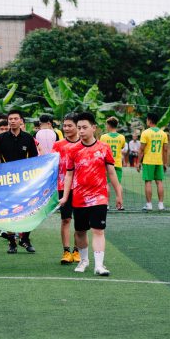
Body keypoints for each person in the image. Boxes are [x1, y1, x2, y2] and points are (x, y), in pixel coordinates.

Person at [60, 112, 123, 276]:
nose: (81, 131)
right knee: (80, 231)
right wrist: (65, 196)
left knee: (98, 230)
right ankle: (83, 260)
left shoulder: (104, 148)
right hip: (79, 198)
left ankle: (99, 265)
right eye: (79, 128)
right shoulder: (72, 150)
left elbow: (112, 173)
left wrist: (119, 194)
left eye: (84, 127)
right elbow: (68, 174)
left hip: (99, 197)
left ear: (94, 128)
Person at [0, 109, 39, 253]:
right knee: (8, 212)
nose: (12, 121)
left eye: (15, 118)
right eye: (10, 118)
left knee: (29, 210)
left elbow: (35, 159)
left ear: (21, 121)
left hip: (25, 181)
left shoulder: (28, 138)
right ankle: (12, 242)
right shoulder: (1, 138)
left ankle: (25, 238)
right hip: (6, 181)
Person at [52, 113, 80, 264]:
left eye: (70, 125)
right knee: (66, 219)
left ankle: (77, 251)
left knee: (80, 221)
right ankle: (66, 251)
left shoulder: (84, 143)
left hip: (81, 187)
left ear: (77, 126)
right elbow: (51, 166)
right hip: (63, 187)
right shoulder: (58, 145)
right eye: (65, 125)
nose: (67, 128)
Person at [137, 113, 168, 211]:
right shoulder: (163, 134)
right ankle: (161, 205)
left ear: (149, 121)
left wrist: (138, 162)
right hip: (159, 161)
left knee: (148, 182)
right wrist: (165, 163)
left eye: (147, 119)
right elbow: (165, 150)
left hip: (148, 161)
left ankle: (149, 205)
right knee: (159, 182)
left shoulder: (145, 133)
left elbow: (141, 149)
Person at [100, 117, 126, 210]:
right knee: (118, 184)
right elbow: (122, 147)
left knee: (106, 184)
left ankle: (106, 204)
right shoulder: (121, 137)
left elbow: (101, 149)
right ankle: (120, 204)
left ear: (108, 125)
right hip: (117, 163)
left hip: (106, 164)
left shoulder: (103, 137)